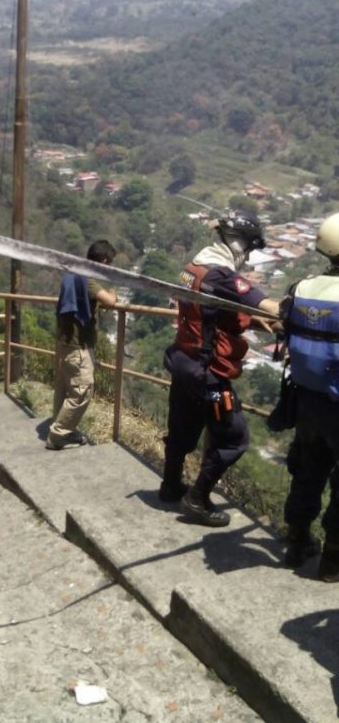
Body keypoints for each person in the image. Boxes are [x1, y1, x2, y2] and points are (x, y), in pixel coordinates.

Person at [160, 212, 279, 526]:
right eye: (250, 249)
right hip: (207, 373)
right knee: (233, 438)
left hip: (184, 362)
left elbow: (209, 312)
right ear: (241, 244)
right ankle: (197, 499)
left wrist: (250, 320)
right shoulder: (223, 275)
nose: (249, 256)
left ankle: (170, 485)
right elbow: (271, 306)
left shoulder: (194, 267)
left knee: (182, 429)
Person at [281, 213, 339, 582]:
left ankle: (296, 542)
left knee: (308, 471)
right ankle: (332, 563)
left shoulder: (300, 287)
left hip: (307, 400)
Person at [46, 240, 117, 451]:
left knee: (65, 388)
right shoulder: (89, 279)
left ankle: (61, 428)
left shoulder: (74, 272)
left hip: (66, 341)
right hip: (78, 345)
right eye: (109, 264)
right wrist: (113, 289)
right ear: (104, 261)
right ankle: (58, 435)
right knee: (82, 390)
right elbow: (110, 301)